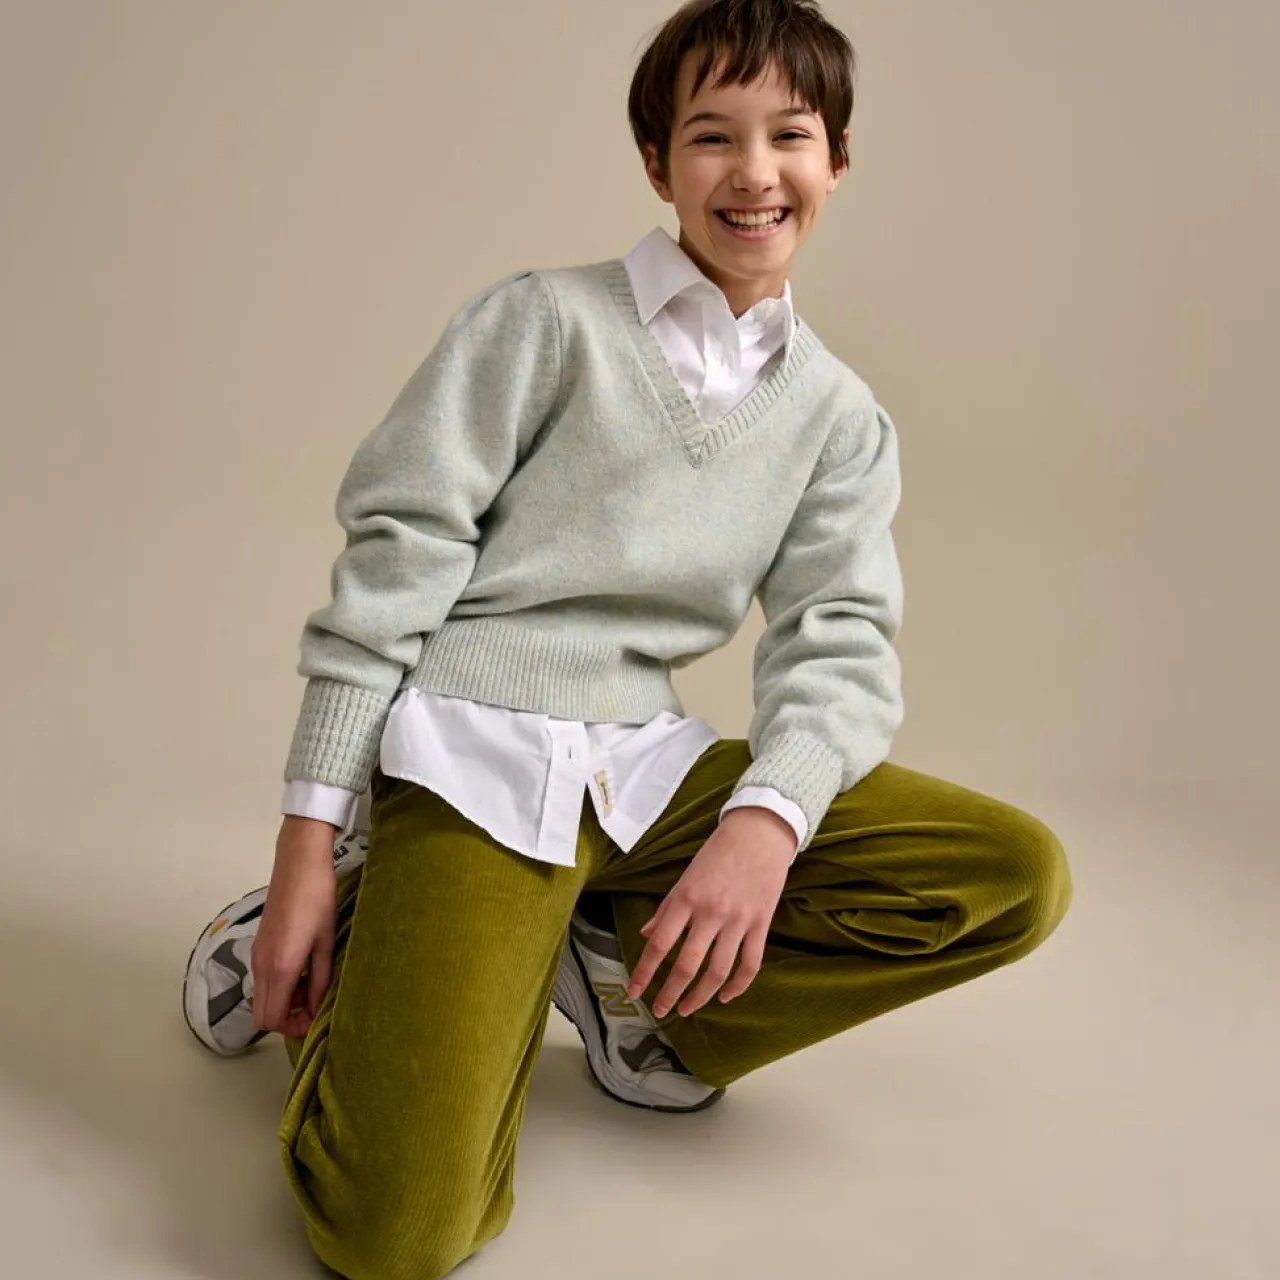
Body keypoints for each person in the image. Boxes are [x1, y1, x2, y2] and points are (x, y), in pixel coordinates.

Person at [181, 2, 1073, 1276]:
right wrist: (306, 846)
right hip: (473, 751)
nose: (753, 171)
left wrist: (764, 826)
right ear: (657, 164)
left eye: (789, 135)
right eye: (711, 136)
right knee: (394, 1235)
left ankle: (630, 993)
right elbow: (396, 560)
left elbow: (838, 639)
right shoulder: (540, 323)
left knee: (1007, 872)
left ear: (835, 162)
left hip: (643, 767)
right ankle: (358, 914)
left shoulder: (838, 417)